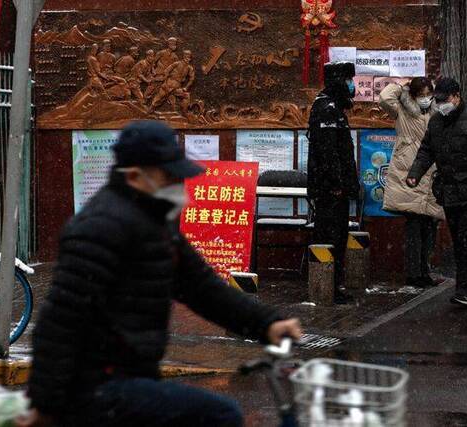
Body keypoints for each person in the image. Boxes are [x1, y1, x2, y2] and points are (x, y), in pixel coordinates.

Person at [20, 121, 302, 427]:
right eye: (167, 175)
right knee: (221, 415)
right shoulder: (100, 228)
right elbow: (60, 323)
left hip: (132, 377)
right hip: (96, 388)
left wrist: (267, 323)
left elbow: (203, 289)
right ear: (134, 175)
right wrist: (44, 406)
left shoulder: (154, 223)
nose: (177, 183)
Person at [406, 77, 467, 307]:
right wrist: (415, 173)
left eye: (444, 100)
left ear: (456, 96)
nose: (441, 104)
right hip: (449, 191)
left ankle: (466, 291)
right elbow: (426, 151)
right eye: (437, 100)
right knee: (461, 240)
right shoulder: (436, 122)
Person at [379, 78, 445, 289]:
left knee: (430, 225)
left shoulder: (436, 114)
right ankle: (413, 273)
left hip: (431, 174)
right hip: (409, 174)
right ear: (414, 95)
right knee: (415, 226)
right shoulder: (403, 112)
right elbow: (384, 98)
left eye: (429, 94)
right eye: (421, 95)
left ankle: (424, 271)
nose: (425, 99)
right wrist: (401, 86)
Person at [307, 62, 360, 304]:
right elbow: (328, 153)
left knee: (338, 235)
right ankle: (328, 287)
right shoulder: (326, 109)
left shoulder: (334, 108)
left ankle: (334, 284)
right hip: (330, 190)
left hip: (335, 188)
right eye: (349, 79)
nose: (352, 85)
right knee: (330, 236)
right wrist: (337, 183)